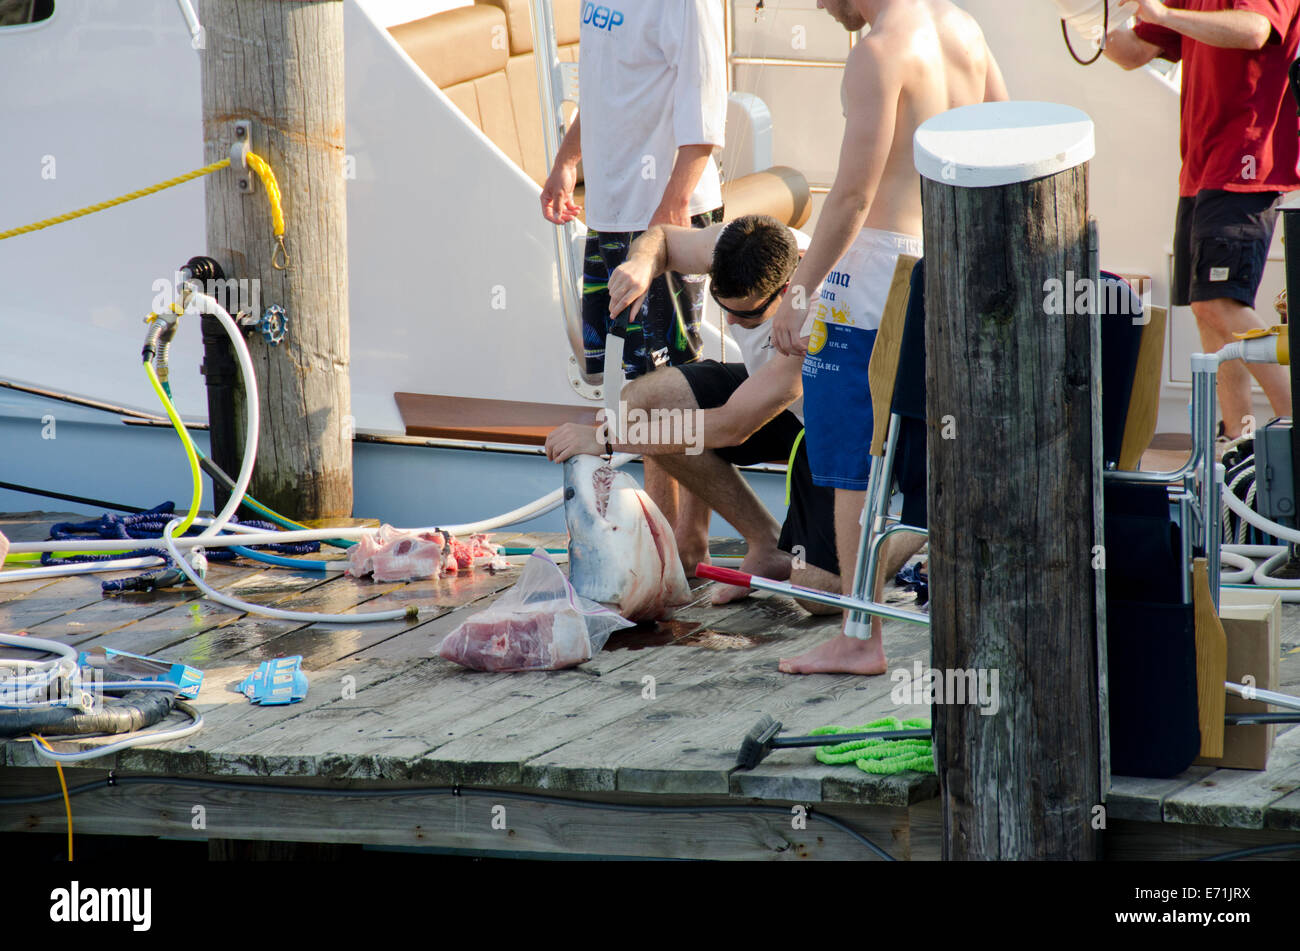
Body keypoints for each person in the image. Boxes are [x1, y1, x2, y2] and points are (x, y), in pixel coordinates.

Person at [768, 0, 1007, 675]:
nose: (817, 4)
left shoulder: (878, 51)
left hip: (872, 273)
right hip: (942, 262)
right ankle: (911, 607)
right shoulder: (965, 30)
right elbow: (1003, 142)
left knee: (851, 459)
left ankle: (859, 633)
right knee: (925, 446)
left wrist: (796, 292)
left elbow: (850, 196)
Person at [545, 215, 842, 613]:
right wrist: (642, 264)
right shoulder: (733, 245)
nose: (733, 322)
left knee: (818, 594)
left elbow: (730, 427)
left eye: (749, 315)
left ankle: (916, 532)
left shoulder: (817, 314)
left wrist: (608, 439)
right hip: (772, 395)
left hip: (833, 422)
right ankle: (765, 542)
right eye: (723, 306)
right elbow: (663, 238)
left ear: (788, 290)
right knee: (648, 398)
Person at [540, 0, 727, 564]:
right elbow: (603, 91)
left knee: (673, 387)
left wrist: (665, 225)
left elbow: (704, 119)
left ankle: (684, 545)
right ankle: (664, 544)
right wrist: (566, 162)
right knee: (629, 385)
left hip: (668, 219)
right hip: (611, 216)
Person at [1105, 0, 1298, 438]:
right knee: (1208, 314)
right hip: (1201, 170)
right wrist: (1082, 16)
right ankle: (1240, 446)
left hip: (1246, 162)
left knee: (1219, 305)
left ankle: (1294, 430)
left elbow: (1254, 30)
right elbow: (1132, 52)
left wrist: (1165, 14)